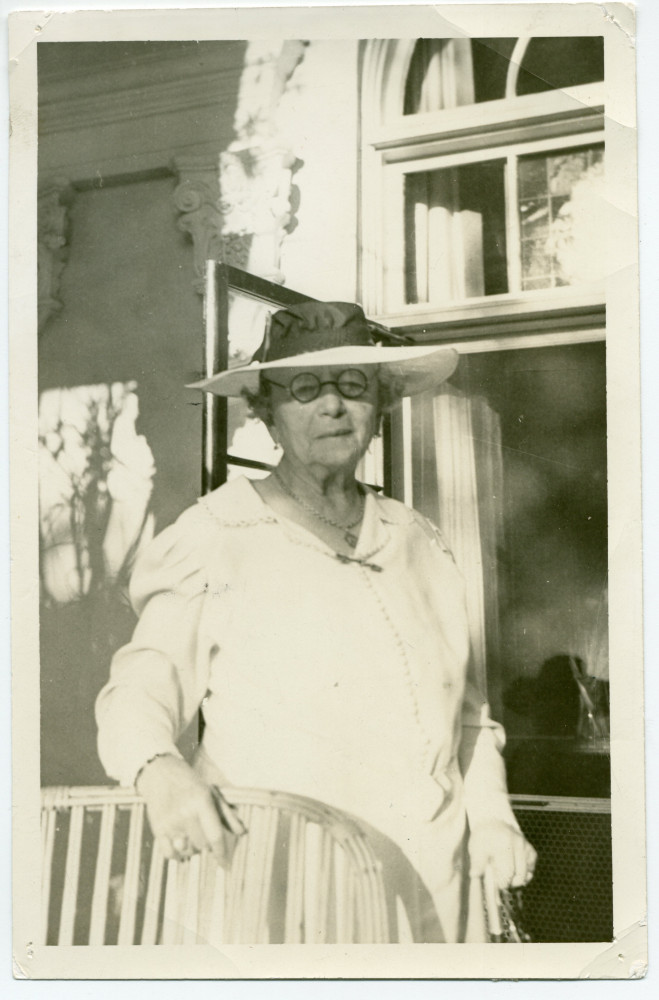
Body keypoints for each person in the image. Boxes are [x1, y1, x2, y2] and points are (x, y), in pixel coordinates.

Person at [95, 301, 536, 942]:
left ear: (380, 407)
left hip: (432, 888)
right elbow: (140, 688)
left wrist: (493, 818)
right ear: (265, 411)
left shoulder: (418, 540)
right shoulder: (219, 535)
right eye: (304, 387)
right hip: (282, 887)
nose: (332, 405)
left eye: (353, 385)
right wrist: (160, 770)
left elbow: (464, 717)